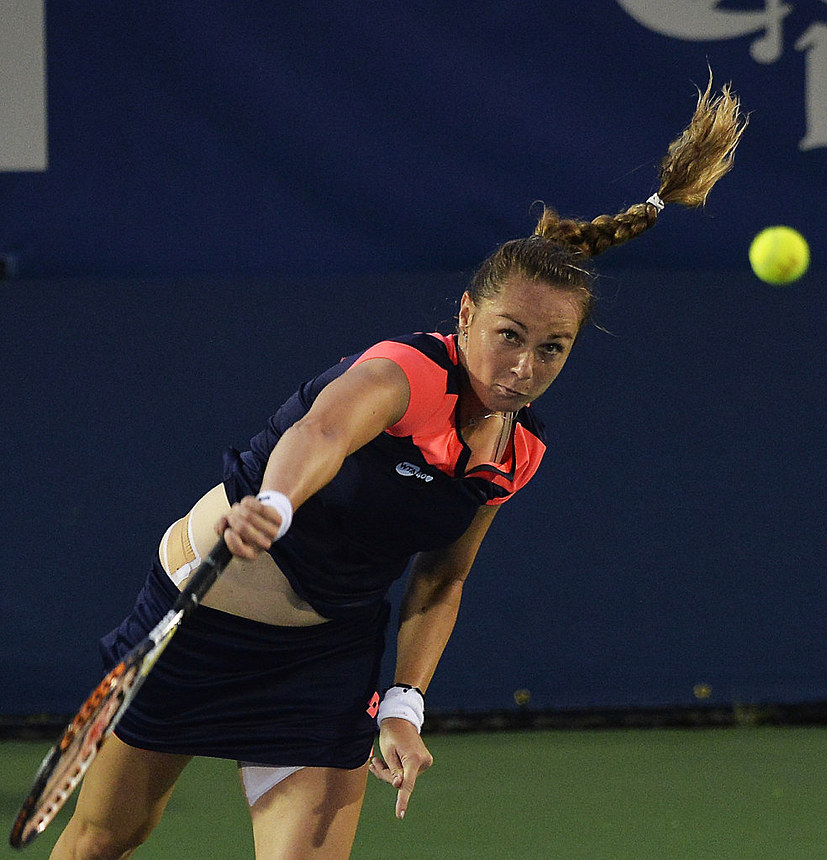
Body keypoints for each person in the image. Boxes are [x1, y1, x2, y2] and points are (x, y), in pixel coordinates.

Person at [50, 75, 746, 860]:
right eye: (509, 335)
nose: (524, 366)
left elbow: (442, 580)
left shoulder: (517, 453)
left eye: (552, 348)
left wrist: (405, 705)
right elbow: (320, 432)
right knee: (103, 842)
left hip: (324, 658)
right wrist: (276, 503)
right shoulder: (401, 374)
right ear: (465, 316)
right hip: (198, 625)